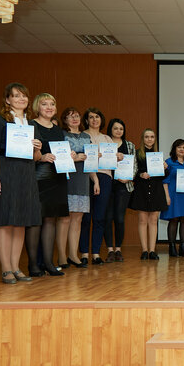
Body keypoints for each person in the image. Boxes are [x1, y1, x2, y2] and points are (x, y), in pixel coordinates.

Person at [0, 83, 42, 284]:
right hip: (5, 175)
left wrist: (37, 148)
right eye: (15, 96)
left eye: (23, 96)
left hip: (26, 177)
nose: (20, 99)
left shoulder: (32, 125)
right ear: (7, 100)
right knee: (5, 222)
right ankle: (5, 268)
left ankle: (16, 267)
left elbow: (37, 157)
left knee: (21, 223)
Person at [26, 93, 71, 277]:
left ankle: (48, 262)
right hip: (39, 178)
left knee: (51, 219)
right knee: (36, 220)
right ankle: (33, 265)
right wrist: (41, 156)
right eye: (44, 104)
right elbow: (23, 151)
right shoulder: (30, 125)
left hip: (58, 177)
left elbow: (61, 151)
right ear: (37, 106)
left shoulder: (58, 129)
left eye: (52, 103)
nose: (49, 107)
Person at [58, 107, 98, 269]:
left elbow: (90, 163)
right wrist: (74, 158)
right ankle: (61, 256)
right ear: (64, 120)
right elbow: (59, 157)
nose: (74, 118)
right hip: (66, 180)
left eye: (77, 115)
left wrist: (95, 180)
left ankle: (73, 255)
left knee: (78, 219)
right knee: (65, 219)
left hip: (83, 180)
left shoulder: (86, 137)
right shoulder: (62, 135)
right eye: (70, 116)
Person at [80, 107, 119, 265]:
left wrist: (118, 156)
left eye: (97, 117)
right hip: (86, 177)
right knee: (85, 217)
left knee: (99, 217)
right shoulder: (83, 136)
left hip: (105, 177)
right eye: (91, 117)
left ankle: (95, 253)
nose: (94, 120)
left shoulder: (107, 139)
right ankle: (83, 253)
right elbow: (86, 160)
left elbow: (112, 162)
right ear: (87, 120)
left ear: (101, 120)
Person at [129, 129, 167, 260]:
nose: (149, 139)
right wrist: (140, 174)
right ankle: (144, 250)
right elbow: (133, 172)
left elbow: (163, 176)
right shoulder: (137, 154)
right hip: (142, 189)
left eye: (152, 137)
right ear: (142, 139)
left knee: (153, 220)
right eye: (147, 137)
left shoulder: (158, 155)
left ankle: (152, 250)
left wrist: (165, 168)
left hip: (156, 189)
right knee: (142, 220)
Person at [104, 118, 134, 263]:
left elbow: (134, 165)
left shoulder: (129, 145)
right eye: (115, 128)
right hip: (107, 184)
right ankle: (110, 250)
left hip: (124, 186)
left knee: (120, 219)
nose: (118, 131)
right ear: (110, 129)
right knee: (108, 218)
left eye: (121, 129)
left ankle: (118, 250)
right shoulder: (105, 144)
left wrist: (129, 177)